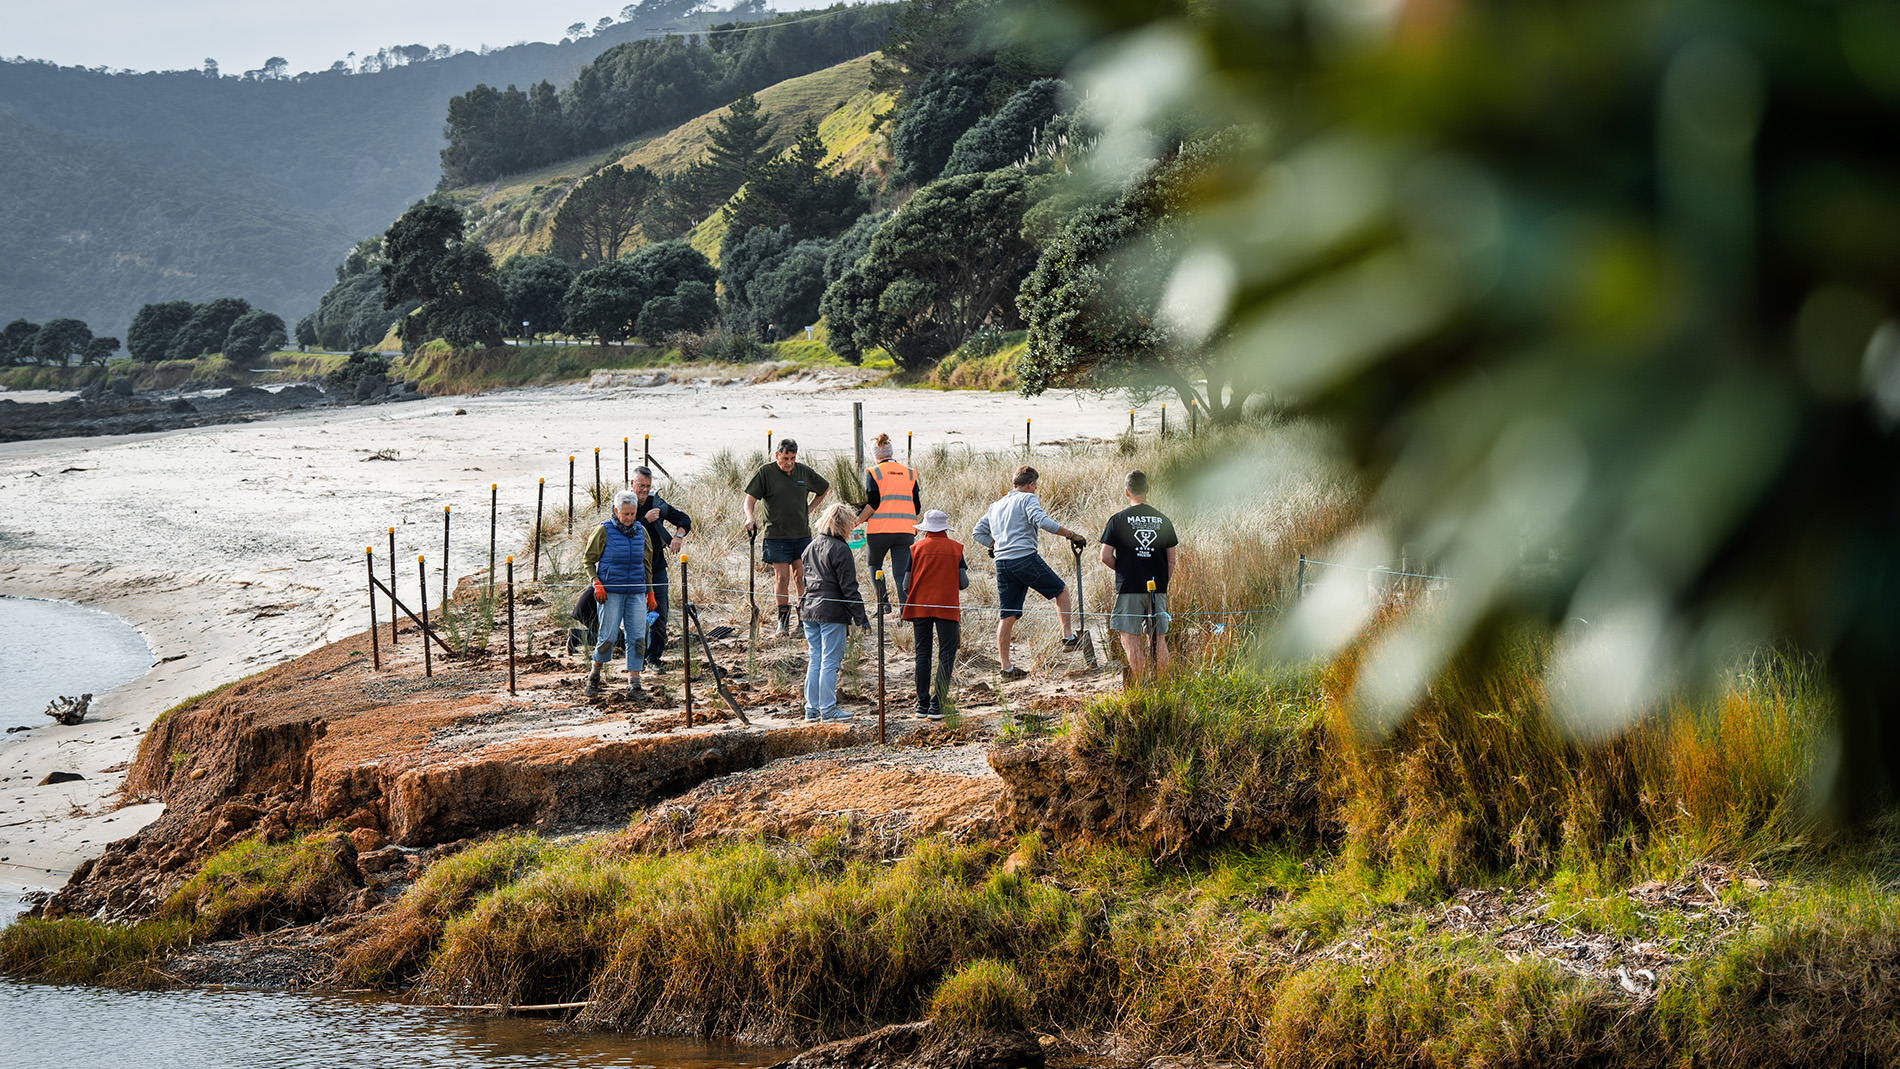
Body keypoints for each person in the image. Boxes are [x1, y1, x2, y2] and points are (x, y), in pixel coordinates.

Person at [970, 465, 1087, 679]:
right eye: (1036, 486)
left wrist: (994, 546)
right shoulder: (1028, 499)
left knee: (1008, 615)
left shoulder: (995, 506)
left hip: (1002, 564)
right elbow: (1042, 522)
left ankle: (1006, 668)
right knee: (1061, 591)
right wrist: (1071, 535)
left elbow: (977, 533)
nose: (1036, 489)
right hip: (1024, 558)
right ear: (1031, 484)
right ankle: (1068, 638)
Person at [743, 439, 830, 636]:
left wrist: (809, 509)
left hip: (801, 535)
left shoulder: (803, 472)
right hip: (776, 535)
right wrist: (750, 516)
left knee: (801, 578)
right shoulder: (766, 472)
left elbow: (824, 488)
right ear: (777, 456)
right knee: (782, 578)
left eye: (792, 458)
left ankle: (803, 622)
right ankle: (782, 623)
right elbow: (750, 498)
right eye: (785, 458)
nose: (789, 462)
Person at [1100, 469, 1181, 680]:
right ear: (1147, 489)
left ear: (1127, 492)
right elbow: (1171, 559)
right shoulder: (1163, 520)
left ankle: (1145, 685)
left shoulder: (1118, 520)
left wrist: (1126, 570)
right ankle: (1164, 688)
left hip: (1130, 588)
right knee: (1158, 639)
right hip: (1157, 588)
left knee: (1130, 639)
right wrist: (1162, 582)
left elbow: (1105, 556)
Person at [799, 501, 870, 721]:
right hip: (830, 611)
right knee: (829, 661)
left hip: (809, 609)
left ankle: (812, 709)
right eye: (851, 522)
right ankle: (828, 710)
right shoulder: (840, 549)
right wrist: (861, 617)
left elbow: (804, 580)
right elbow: (849, 587)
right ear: (844, 524)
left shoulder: (811, 546)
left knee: (816, 659)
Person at [582, 490, 654, 702]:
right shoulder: (603, 531)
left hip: (636, 593)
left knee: (638, 637)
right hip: (610, 592)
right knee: (608, 637)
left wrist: (650, 592)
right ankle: (594, 676)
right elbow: (588, 560)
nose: (630, 518)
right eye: (625, 514)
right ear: (615, 511)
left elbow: (647, 564)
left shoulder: (641, 531)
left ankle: (635, 685)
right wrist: (596, 583)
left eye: (633, 513)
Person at [903, 509, 968, 719]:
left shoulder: (916, 548)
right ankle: (937, 705)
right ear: (945, 529)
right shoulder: (956, 549)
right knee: (946, 656)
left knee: (922, 654)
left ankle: (922, 705)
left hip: (920, 607)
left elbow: (905, 585)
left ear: (925, 530)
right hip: (947, 607)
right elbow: (964, 583)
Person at [629, 466, 691, 671]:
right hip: (631, 571)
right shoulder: (625, 505)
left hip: (656, 570)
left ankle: (653, 658)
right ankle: (635, 657)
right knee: (633, 616)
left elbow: (684, 519)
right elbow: (623, 532)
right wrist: (646, 521)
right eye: (640, 486)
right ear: (632, 484)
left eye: (648, 486)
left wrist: (678, 536)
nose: (644, 490)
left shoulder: (656, 504)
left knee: (659, 614)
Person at [858, 432, 921, 614]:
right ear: (891, 453)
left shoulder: (874, 472)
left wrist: (857, 520)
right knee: (901, 572)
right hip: (905, 531)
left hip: (879, 530)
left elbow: (873, 502)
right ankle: (905, 611)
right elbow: (916, 506)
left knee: (874, 565)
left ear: (875, 455)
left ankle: (883, 604)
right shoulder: (909, 474)